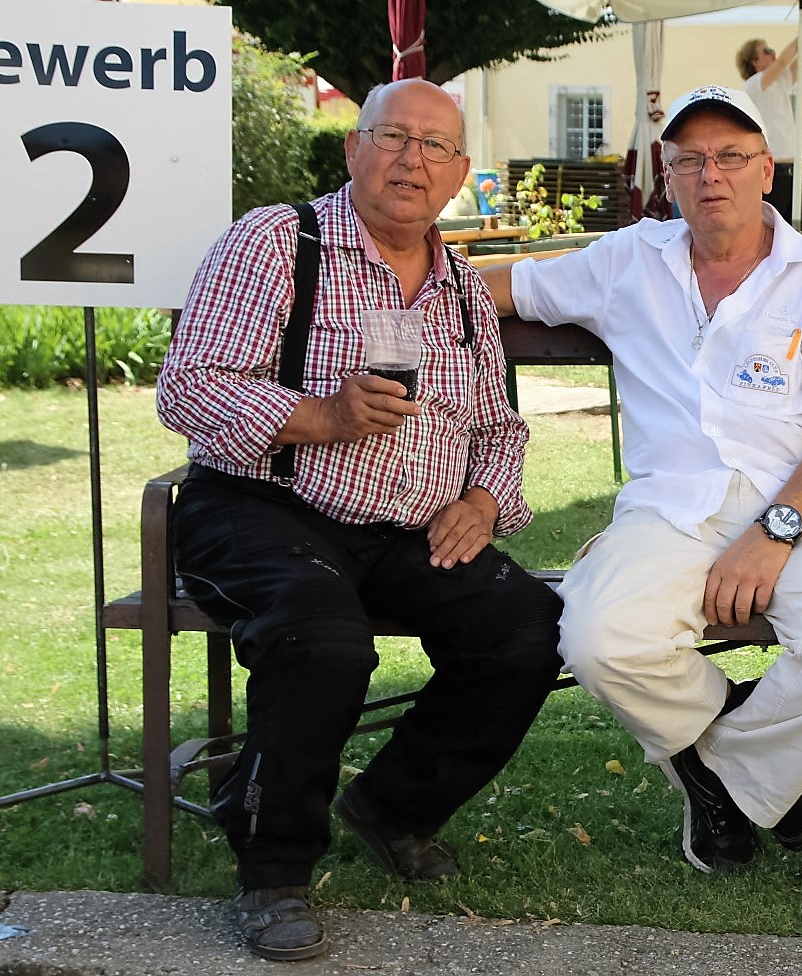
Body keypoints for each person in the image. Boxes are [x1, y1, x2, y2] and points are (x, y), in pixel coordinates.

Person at [157, 79, 564, 961]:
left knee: (526, 628)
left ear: (457, 173)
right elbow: (189, 388)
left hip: (409, 529)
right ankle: (273, 871)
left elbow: (499, 426)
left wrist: (484, 501)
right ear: (353, 150)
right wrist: (323, 417)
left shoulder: (459, 284)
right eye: (392, 136)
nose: (411, 159)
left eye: (434, 147)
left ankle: (393, 806)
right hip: (264, 506)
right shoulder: (278, 241)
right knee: (323, 636)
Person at [481, 85, 802, 874]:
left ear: (766, 169)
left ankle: (708, 767)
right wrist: (386, 262)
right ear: (667, 171)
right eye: (690, 160)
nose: (709, 174)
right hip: (673, 511)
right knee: (597, 637)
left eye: (728, 156)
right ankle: (747, 754)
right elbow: (502, 285)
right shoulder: (624, 262)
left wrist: (773, 534)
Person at [736, 8, 802, 222]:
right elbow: (784, 60)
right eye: (767, 51)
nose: (773, 54)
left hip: (793, 166)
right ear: (755, 61)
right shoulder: (755, 84)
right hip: (776, 168)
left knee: (797, 226)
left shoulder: (778, 83)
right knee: (774, 228)